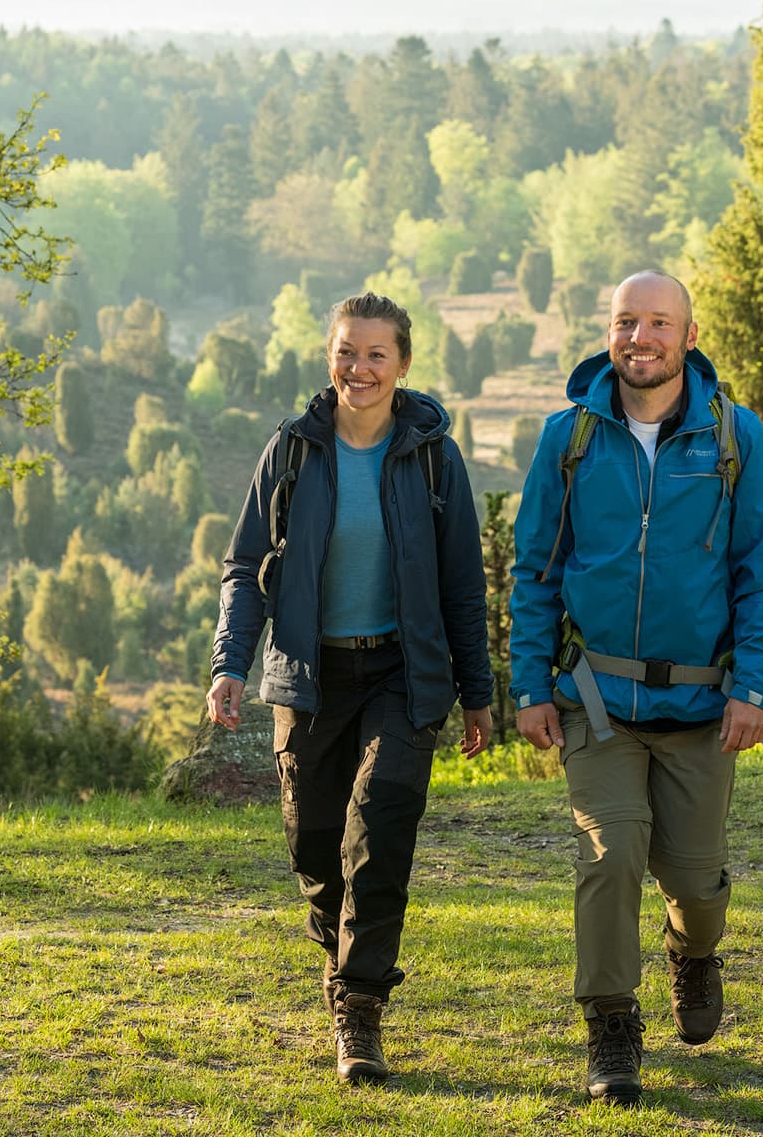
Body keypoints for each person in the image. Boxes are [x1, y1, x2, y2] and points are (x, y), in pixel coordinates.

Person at [508, 270, 763, 1107]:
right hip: (596, 701)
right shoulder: (568, 438)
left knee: (695, 880)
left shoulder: (737, 439)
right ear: (609, 332)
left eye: (659, 323)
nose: (642, 337)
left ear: (689, 337)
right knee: (611, 852)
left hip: (706, 706)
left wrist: (754, 686)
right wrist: (530, 684)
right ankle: (610, 1026)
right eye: (627, 321)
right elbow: (534, 573)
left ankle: (693, 952)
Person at [209, 291, 494, 1085]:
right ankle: (340, 961)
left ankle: (360, 1009)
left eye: (375, 354)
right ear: (327, 356)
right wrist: (230, 663)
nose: (358, 368)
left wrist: (477, 690)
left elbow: (462, 584)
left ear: (403, 364)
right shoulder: (293, 451)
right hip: (309, 676)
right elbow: (245, 567)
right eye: (346, 351)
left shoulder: (433, 455)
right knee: (314, 847)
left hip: (404, 676)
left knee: (379, 833)